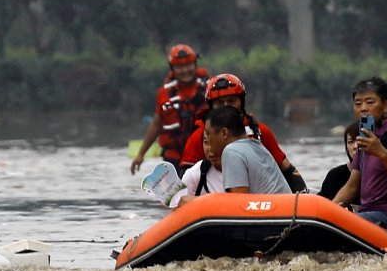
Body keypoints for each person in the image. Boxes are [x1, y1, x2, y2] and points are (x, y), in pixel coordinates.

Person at [180, 73, 308, 193]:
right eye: (219, 103)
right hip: (215, 195)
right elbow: (185, 180)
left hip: (259, 198)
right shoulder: (200, 136)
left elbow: (287, 169)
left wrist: (304, 198)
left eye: (231, 101)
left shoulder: (260, 132)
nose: (226, 106)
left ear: (241, 102)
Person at [331, 76, 387, 235]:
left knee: (347, 224)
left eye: (370, 102)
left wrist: (381, 152)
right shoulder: (365, 138)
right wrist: (328, 210)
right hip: (369, 213)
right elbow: (352, 186)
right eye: (358, 103)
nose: (363, 108)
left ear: (385, 106)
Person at [130, 44, 210, 175]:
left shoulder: (209, 89)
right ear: (172, 69)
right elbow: (156, 124)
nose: (185, 70)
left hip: (204, 155)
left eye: (188, 65)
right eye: (179, 67)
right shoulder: (165, 94)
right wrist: (140, 154)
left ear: (195, 64)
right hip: (174, 158)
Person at [200, 104, 292, 195]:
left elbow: (239, 202)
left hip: (275, 208)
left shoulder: (231, 152)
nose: (207, 139)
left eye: (208, 133)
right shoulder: (257, 145)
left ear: (224, 133)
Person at [318, 122, 360, 201]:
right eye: (350, 142)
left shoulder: (377, 175)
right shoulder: (335, 175)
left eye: (359, 141)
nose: (355, 146)